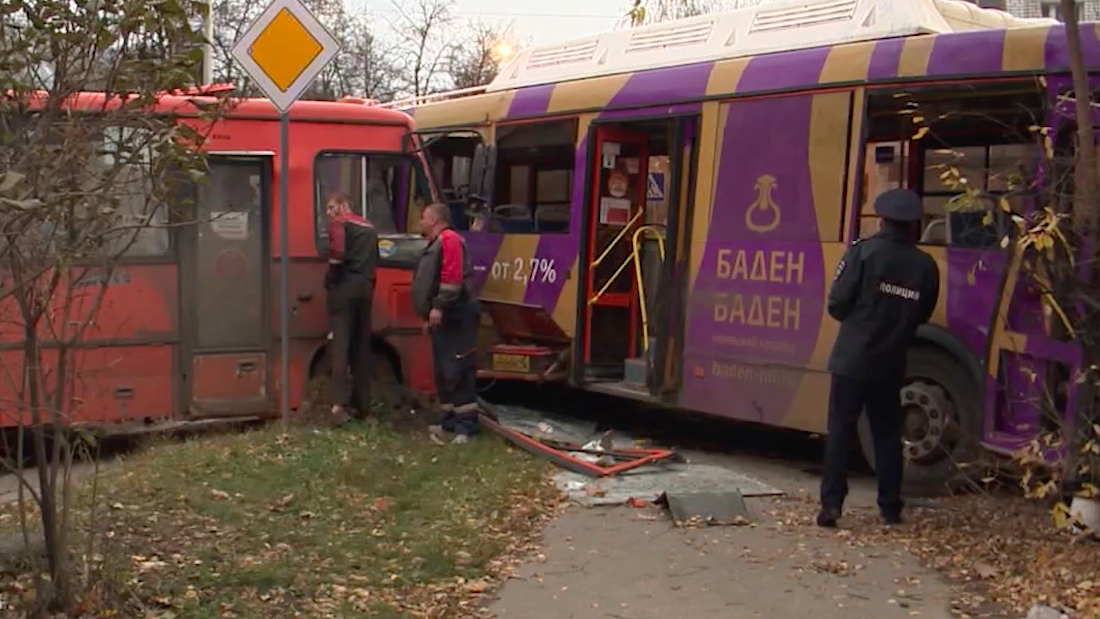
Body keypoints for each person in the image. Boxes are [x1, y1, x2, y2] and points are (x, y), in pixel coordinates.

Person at [818, 188, 940, 528]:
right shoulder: (924, 265)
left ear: (882, 219)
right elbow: (921, 313)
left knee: (841, 430)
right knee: (887, 434)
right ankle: (889, 509)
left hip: (852, 361)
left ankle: (831, 506)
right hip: (891, 362)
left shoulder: (863, 253)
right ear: (913, 225)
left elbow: (837, 303)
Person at [411, 203, 481, 445]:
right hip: (443, 317)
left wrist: (439, 307)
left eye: (424, 217)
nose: (421, 221)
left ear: (436, 219)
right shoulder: (435, 243)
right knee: (443, 371)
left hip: (457, 315)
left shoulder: (449, 240)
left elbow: (451, 279)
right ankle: (449, 421)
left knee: (458, 369)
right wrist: (428, 316)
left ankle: (466, 426)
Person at [324, 191, 378, 421]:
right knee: (361, 347)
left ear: (342, 205)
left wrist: (331, 279)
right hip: (365, 288)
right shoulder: (369, 226)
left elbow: (337, 254)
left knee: (340, 346)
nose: (329, 212)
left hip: (345, 288)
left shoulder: (340, 224)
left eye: (330, 207)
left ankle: (338, 406)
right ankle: (363, 406)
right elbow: (376, 258)